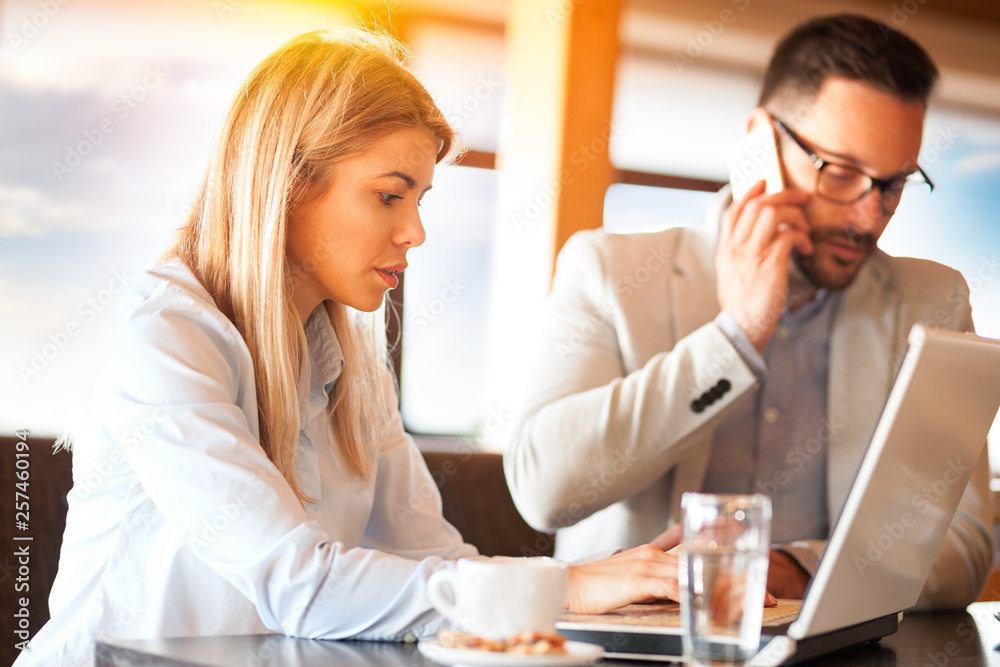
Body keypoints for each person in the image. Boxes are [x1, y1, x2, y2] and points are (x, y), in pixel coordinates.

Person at [15, 28, 681, 667]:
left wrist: (605, 581)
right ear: (291, 183)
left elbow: (436, 566)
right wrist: (565, 585)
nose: (415, 231)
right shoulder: (166, 335)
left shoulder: (354, 368)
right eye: (389, 195)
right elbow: (296, 583)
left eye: (419, 199)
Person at [504, 14, 993, 609]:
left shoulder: (932, 302)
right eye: (840, 173)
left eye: (893, 184)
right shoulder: (607, 270)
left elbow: (964, 546)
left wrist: (793, 570)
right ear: (762, 141)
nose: (869, 216)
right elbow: (544, 491)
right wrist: (734, 338)